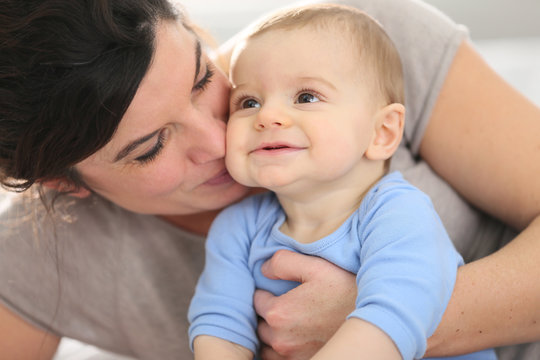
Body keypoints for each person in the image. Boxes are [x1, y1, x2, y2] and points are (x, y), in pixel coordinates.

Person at [0, 0, 538, 359]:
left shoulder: (361, 47)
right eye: (152, 146)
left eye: (201, 77)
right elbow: (217, 318)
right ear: (60, 182)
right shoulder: (33, 257)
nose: (223, 139)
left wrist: (360, 318)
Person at [188, 4, 495, 360]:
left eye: (306, 97)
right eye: (249, 101)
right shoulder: (237, 228)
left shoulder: (398, 213)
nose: (267, 116)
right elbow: (219, 326)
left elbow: (392, 315)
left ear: (381, 132)